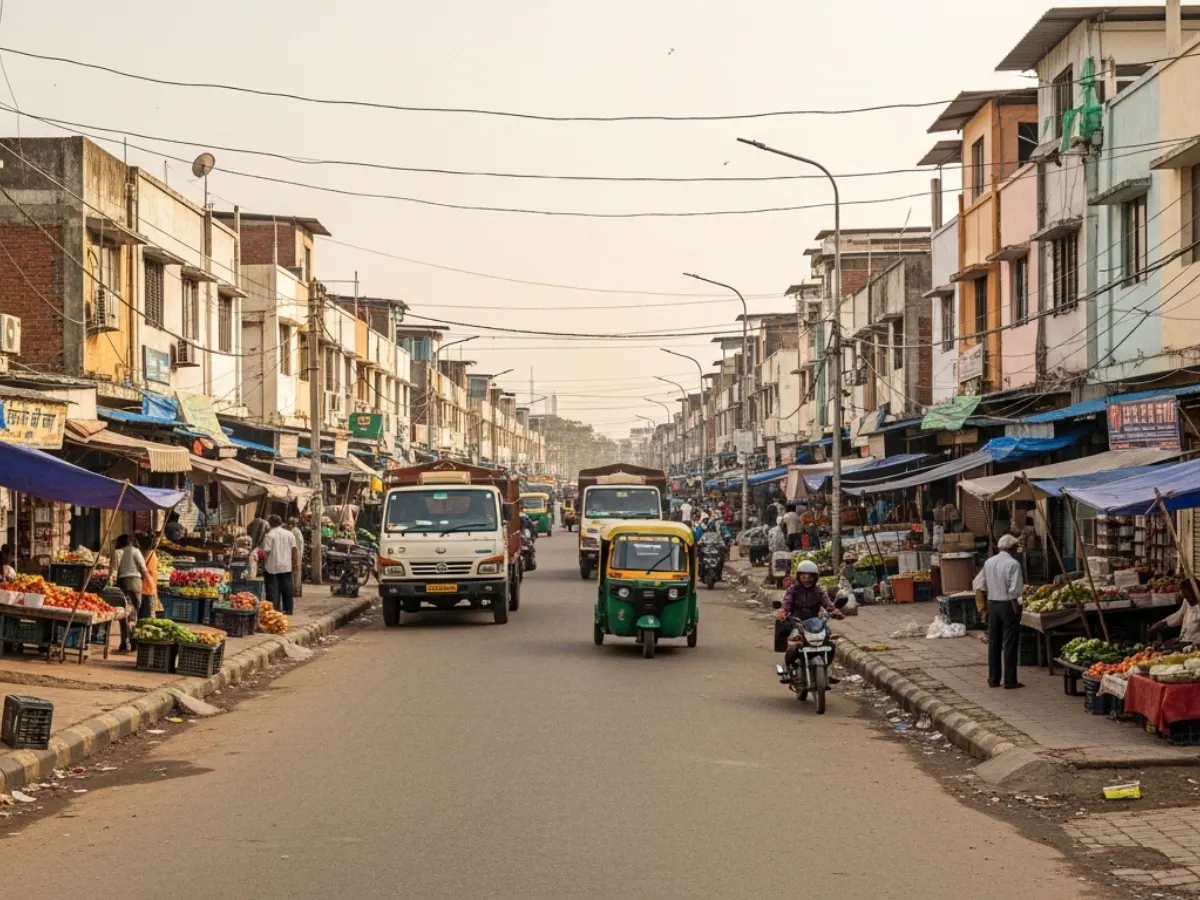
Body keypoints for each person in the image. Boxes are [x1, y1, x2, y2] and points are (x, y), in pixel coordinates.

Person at [973, 534, 1025, 690]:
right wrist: (1016, 605)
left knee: (994, 642)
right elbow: (1015, 589)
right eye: (1016, 547)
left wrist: (984, 607)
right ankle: (1010, 681)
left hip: (992, 604)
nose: (1017, 550)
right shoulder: (1013, 564)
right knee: (1010, 642)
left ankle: (993, 678)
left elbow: (978, 583)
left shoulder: (989, 562)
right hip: (1008, 605)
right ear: (1011, 548)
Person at [114, 534, 147, 653]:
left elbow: (113, 570)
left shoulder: (118, 552)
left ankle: (124, 642)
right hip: (134, 583)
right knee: (133, 614)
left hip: (121, 584)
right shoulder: (135, 551)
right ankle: (134, 642)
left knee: (123, 614)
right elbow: (143, 568)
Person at [260, 515, 297, 615]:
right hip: (286, 565)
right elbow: (294, 550)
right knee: (287, 588)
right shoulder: (290, 534)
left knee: (273, 589)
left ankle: (274, 610)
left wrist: (262, 561)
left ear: (270, 523)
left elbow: (266, 552)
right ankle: (288, 609)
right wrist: (295, 563)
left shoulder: (269, 535)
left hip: (272, 566)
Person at [1148, 580, 1200, 648]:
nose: (1187, 600)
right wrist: (1163, 622)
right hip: (1184, 641)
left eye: (1188, 596)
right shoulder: (1186, 601)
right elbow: (1179, 614)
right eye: (1185, 597)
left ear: (1196, 593)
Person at [138, 532, 160, 620]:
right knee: (146, 616)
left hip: (146, 587)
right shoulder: (149, 554)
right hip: (147, 587)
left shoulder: (148, 554)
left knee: (146, 617)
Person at [289, 517, 305, 598]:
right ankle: (297, 591)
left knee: (295, 572)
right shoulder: (296, 530)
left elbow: (293, 545)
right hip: (298, 553)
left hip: (296, 553)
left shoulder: (293, 531)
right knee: (297, 573)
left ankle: (295, 591)